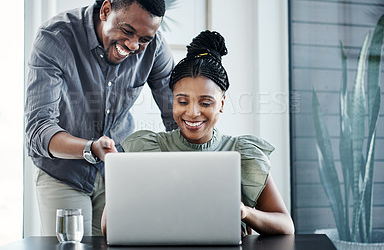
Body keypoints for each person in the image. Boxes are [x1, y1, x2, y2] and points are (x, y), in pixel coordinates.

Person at [100, 30, 295, 236]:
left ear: (221, 103)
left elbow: (285, 225)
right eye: (182, 101)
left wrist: (244, 212)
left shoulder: (242, 152)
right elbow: (108, 226)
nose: (192, 113)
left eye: (205, 103)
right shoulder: (145, 149)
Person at [25, 0, 177, 236]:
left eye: (143, 39)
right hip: (64, 173)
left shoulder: (155, 47)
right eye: (127, 31)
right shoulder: (55, 38)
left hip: (118, 173)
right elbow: (38, 131)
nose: (132, 45)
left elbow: (175, 115)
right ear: (106, 10)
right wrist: (91, 148)